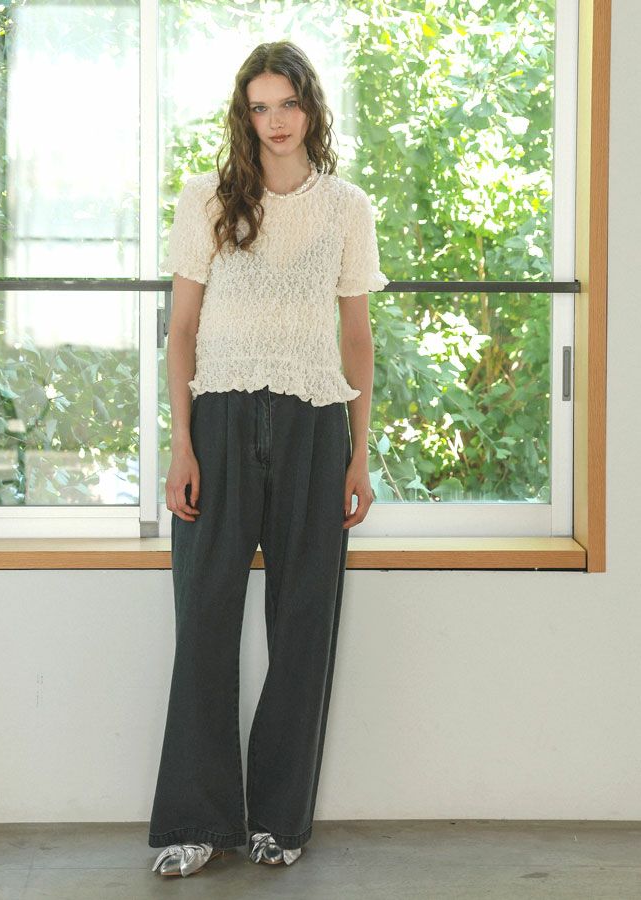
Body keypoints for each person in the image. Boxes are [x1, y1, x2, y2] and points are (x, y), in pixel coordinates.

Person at [149, 39, 387, 878]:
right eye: (260, 107)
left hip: (316, 426)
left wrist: (360, 455)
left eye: (287, 104)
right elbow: (181, 331)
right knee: (204, 620)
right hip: (218, 421)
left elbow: (357, 337)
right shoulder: (207, 199)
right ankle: (195, 821)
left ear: (311, 108)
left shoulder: (347, 208)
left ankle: (279, 820)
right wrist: (181, 444)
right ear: (243, 116)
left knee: (304, 622)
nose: (276, 121)